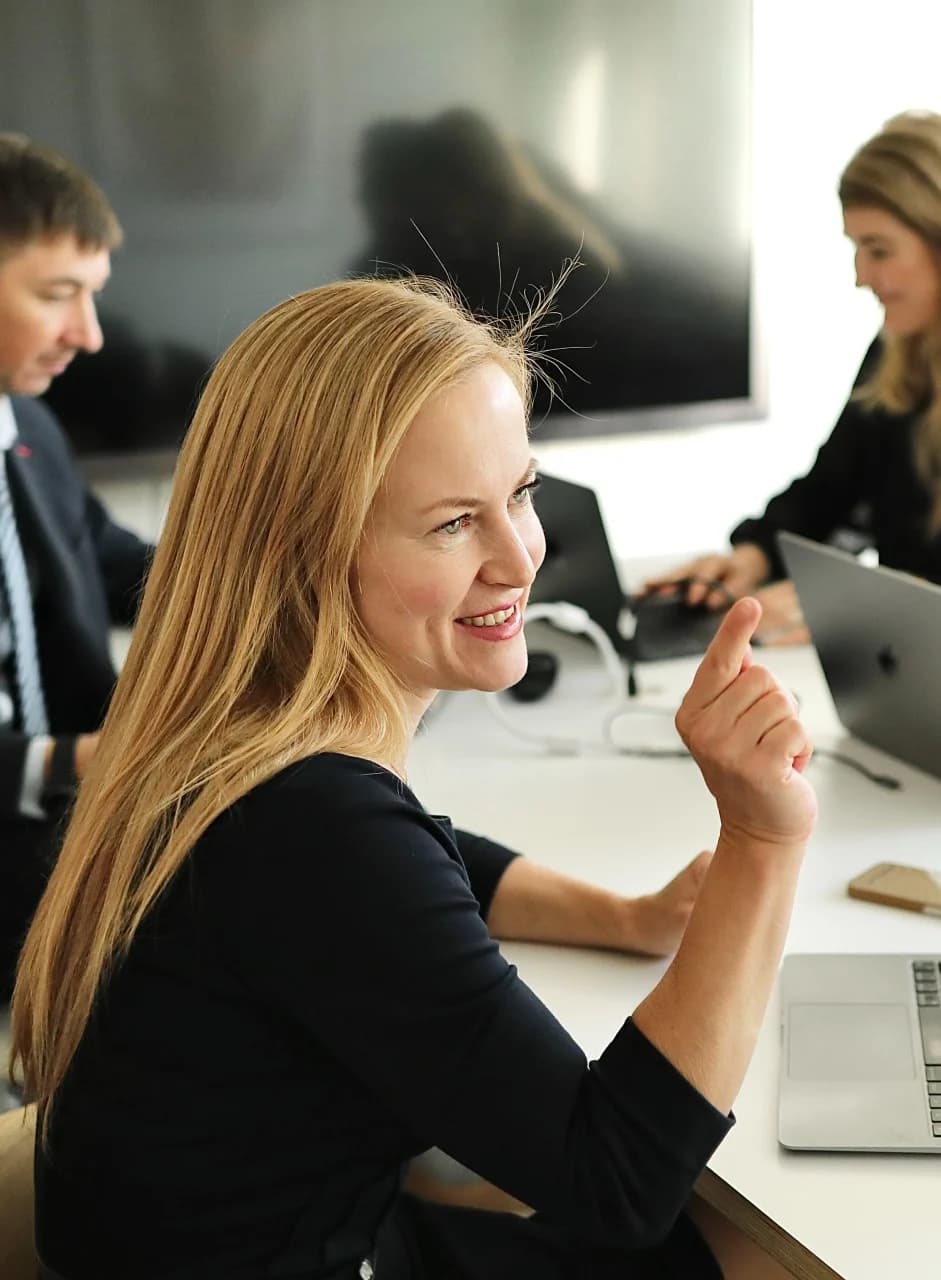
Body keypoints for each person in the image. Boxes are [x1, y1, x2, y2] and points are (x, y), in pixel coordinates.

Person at [12, 276, 814, 1280]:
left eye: (518, 495)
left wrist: (624, 917)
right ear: (302, 551)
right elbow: (617, 1179)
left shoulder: (226, 733)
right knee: (743, 1249)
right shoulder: (315, 824)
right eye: (450, 524)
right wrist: (761, 841)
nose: (520, 559)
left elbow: (423, 861)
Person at [647, 110, 941, 644]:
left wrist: (858, 607)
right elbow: (828, 490)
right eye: (856, 250)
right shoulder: (895, 355)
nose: (860, 278)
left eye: (878, 250)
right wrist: (753, 557)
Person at [0, 134, 154, 998]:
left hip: (59, 827)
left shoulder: (24, 424)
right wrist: (83, 762)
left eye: (91, 297)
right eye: (59, 295)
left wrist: (265, 577)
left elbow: (103, 558)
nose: (89, 336)